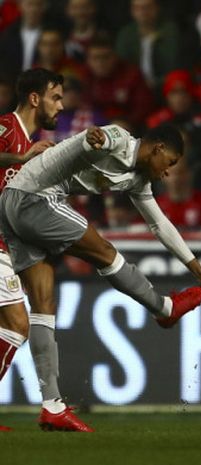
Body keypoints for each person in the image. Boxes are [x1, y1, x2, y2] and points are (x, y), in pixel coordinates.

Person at [0, 122, 201, 431]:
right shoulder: (118, 139)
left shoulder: (137, 180)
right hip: (34, 197)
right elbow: (89, 140)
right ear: (158, 148)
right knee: (105, 252)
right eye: (170, 163)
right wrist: (88, 139)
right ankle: (164, 309)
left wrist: (199, 272)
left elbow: (160, 225)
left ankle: (52, 406)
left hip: (9, 204)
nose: (168, 172)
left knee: (43, 306)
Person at [0, 68, 60, 432]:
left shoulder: (32, 143)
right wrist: (20, 160)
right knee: (18, 324)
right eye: (56, 97)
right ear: (35, 98)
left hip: (6, 245)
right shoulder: (6, 128)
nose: (62, 106)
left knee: (13, 326)